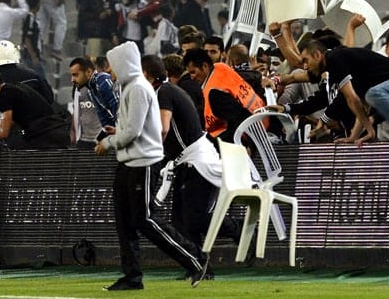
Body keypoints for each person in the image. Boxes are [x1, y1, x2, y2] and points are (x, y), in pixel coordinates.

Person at [95, 42, 208, 291]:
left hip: (143, 162)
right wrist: (117, 132)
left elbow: (133, 132)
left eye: (113, 66)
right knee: (125, 222)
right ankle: (132, 276)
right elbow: (134, 126)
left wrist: (109, 142)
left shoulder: (137, 88)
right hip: (129, 162)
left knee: (144, 219)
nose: (110, 71)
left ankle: (194, 258)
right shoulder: (130, 87)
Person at [141, 54, 238, 255]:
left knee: (195, 218)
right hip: (187, 160)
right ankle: (198, 262)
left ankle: (239, 228)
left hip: (196, 161)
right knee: (181, 221)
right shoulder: (169, 90)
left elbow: (163, 129)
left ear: (146, 74)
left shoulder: (164, 93)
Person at [280, 39, 389, 145]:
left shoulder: (335, 59)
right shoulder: (345, 68)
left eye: (306, 60)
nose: (305, 66)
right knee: (370, 96)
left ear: (318, 55)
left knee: (372, 95)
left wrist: (324, 119)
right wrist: (355, 136)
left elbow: (351, 100)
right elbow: (359, 105)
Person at [0, 68, 68, 151]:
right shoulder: (13, 88)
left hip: (47, 137)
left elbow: (3, 132)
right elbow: (9, 123)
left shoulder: (4, 96)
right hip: (56, 133)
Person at [182, 48, 264, 141]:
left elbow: (238, 118)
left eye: (193, 72)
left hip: (247, 135)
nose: (192, 78)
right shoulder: (221, 68)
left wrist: (250, 144)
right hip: (260, 117)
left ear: (205, 66)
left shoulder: (215, 92)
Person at [70, 57, 119, 141]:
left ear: (89, 72)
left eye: (76, 75)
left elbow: (118, 111)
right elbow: (106, 120)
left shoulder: (103, 82)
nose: (72, 80)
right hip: (92, 139)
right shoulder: (90, 90)